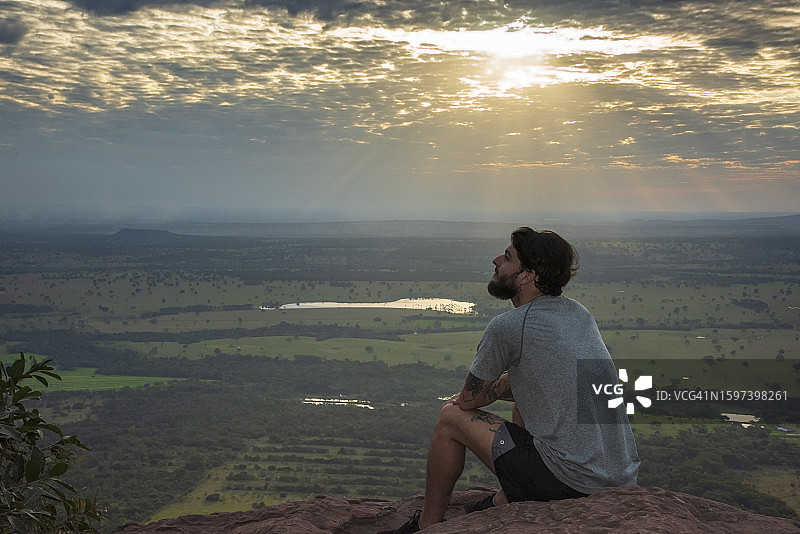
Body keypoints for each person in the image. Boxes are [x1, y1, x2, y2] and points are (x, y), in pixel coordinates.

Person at [378, 227, 640, 534]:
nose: (496, 260)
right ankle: (505, 500)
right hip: (620, 478)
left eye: (507, 257)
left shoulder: (509, 325)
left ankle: (428, 523)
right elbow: (545, 385)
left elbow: (470, 400)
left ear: (528, 276)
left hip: (571, 483)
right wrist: (494, 387)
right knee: (524, 408)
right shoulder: (578, 314)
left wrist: (465, 397)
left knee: (450, 417)